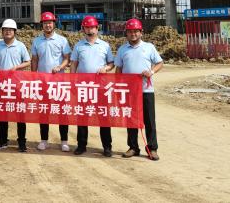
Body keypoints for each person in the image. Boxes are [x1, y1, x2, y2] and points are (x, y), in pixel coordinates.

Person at [115, 18, 163, 161]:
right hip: (129, 91)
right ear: (126, 33)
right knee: (131, 119)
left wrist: (151, 72)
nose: (133, 34)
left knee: (149, 120)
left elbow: (160, 63)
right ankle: (133, 147)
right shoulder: (122, 49)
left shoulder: (149, 47)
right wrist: (118, 87)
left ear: (141, 32)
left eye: (136, 31)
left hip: (146, 90)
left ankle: (152, 148)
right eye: (130, 31)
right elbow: (119, 69)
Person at [70, 16, 114, 157]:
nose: (90, 30)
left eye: (92, 27)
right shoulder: (79, 46)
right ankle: (81, 145)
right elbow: (74, 64)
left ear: (97, 28)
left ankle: (107, 146)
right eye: (87, 27)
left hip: (101, 88)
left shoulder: (105, 45)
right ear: (83, 29)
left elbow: (111, 63)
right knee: (82, 117)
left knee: (103, 117)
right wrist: (72, 81)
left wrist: (106, 68)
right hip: (83, 87)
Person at [30, 11, 72, 152]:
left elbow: (67, 58)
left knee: (62, 112)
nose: (47, 25)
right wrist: (33, 77)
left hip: (59, 82)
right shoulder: (37, 41)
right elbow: (34, 60)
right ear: (42, 25)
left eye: (50, 22)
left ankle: (64, 141)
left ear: (54, 24)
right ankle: (44, 140)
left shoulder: (62, 40)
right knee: (44, 111)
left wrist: (60, 67)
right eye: (45, 23)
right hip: (43, 82)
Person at [0, 19, 31, 152]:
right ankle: (2, 140)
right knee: (2, 115)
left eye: (10, 30)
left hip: (17, 85)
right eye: (5, 30)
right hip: (3, 85)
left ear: (14, 32)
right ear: (2, 32)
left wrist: (16, 67)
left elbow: (27, 61)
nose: (8, 32)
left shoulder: (20, 46)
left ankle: (22, 142)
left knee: (20, 115)